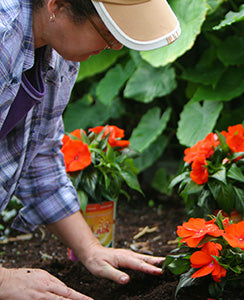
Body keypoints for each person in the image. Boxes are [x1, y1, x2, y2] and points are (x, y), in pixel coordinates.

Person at [0, 0, 181, 299]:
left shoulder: (58, 53)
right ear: (56, 5)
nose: (115, 46)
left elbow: (38, 156)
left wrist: (91, 249)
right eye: (107, 32)